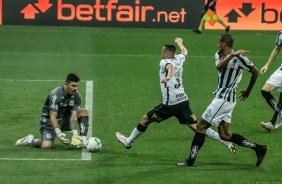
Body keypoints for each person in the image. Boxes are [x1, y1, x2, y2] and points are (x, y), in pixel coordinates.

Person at [115, 37, 236, 155]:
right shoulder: (179, 58)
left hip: (169, 105)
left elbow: (170, 67)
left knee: (145, 119)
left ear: (166, 54)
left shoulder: (164, 62)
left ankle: (128, 141)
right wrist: (180, 43)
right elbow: (185, 52)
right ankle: (225, 141)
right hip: (183, 101)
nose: (161, 53)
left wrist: (168, 76)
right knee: (199, 127)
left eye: (163, 51)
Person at [177, 33, 268, 167]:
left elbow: (254, 71)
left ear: (224, 44)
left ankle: (191, 160)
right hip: (225, 100)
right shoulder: (219, 55)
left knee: (201, 126)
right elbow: (218, 66)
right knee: (225, 135)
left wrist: (248, 90)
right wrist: (232, 55)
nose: (217, 44)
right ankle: (259, 148)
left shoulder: (240, 58)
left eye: (219, 42)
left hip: (224, 100)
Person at [15, 73, 89, 149]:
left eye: (77, 86)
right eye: (73, 86)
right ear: (66, 84)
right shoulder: (55, 95)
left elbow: (73, 117)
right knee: (46, 146)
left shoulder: (77, 96)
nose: (75, 88)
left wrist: (74, 133)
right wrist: (59, 133)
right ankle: (30, 140)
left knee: (83, 111)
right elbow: (52, 117)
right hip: (49, 122)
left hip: (63, 119)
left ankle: (83, 141)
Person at [260, 31, 282, 132]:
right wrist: (267, 64)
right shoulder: (281, 34)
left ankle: (271, 122)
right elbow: (277, 49)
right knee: (265, 90)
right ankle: (280, 113)